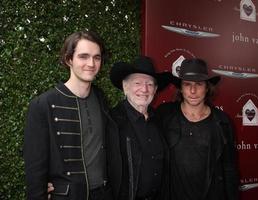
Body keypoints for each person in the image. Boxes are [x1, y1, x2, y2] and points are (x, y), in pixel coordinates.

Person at [23, 30, 114, 200]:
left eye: (97, 57)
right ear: (69, 59)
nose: (91, 63)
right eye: (83, 56)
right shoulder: (43, 104)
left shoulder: (100, 98)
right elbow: (35, 169)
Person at [156, 58, 239, 200]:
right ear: (180, 88)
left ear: (207, 87)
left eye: (199, 84)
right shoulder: (164, 115)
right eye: (187, 84)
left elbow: (229, 169)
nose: (193, 91)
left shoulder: (222, 122)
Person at [106, 56, 170, 200]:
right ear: (125, 86)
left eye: (150, 84)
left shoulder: (160, 120)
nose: (144, 89)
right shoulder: (111, 122)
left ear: (155, 89)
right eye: (137, 83)